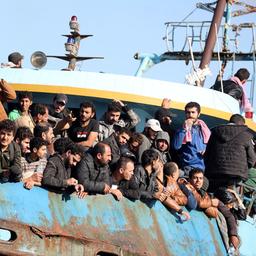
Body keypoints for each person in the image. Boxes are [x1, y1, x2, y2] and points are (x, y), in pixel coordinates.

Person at [205, 114, 256, 191]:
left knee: (215, 196)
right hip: (235, 176)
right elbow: (251, 159)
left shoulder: (215, 133)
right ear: (242, 124)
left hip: (214, 174)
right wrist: (243, 168)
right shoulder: (246, 135)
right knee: (233, 197)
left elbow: (207, 155)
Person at [172, 102, 211, 175]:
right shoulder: (180, 130)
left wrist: (207, 151)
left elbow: (211, 147)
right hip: (188, 168)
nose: (190, 115)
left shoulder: (205, 130)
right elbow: (176, 146)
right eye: (188, 112)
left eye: (193, 112)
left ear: (198, 114)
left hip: (203, 169)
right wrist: (184, 129)